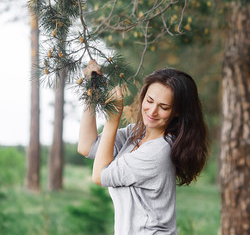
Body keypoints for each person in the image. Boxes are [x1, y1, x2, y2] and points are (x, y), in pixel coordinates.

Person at [77, 67, 209, 235]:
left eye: (164, 107)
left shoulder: (158, 151)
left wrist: (112, 120)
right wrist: (92, 87)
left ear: (177, 112)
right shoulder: (136, 134)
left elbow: (99, 176)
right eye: (150, 100)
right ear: (143, 96)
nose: (152, 111)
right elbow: (86, 145)